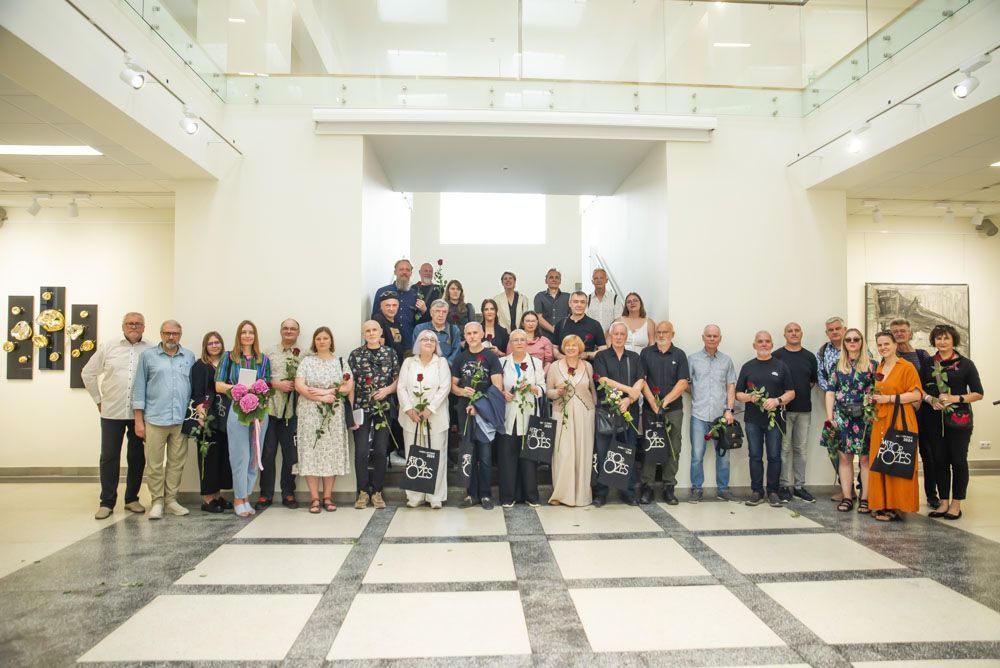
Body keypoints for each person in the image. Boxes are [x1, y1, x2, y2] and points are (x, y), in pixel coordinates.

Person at [82, 312, 152, 519]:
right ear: (123, 326)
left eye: (138, 323)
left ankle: (132, 499)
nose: (134, 326)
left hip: (139, 413)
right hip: (112, 411)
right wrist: (98, 400)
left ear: (144, 327)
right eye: (130, 323)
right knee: (109, 456)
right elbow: (87, 373)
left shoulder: (151, 349)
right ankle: (107, 502)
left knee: (137, 457)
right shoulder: (108, 347)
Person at [132, 320, 194, 520]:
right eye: (167, 333)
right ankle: (157, 501)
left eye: (175, 333)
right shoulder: (148, 356)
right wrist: (138, 421)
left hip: (180, 419)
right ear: (161, 334)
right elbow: (139, 388)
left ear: (180, 335)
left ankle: (171, 500)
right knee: (154, 464)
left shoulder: (189, 356)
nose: (171, 337)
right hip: (155, 419)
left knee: (176, 463)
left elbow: (192, 388)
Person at [921, 324, 984, 521]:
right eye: (938, 338)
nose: (942, 342)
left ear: (953, 340)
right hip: (934, 419)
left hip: (959, 420)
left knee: (958, 461)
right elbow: (919, 388)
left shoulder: (966, 364)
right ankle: (943, 502)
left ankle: (956, 504)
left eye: (946, 338)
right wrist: (930, 400)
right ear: (933, 341)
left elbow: (978, 393)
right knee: (939, 460)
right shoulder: (928, 363)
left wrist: (955, 398)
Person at [215, 320, 272, 518]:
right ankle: (238, 498)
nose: (247, 335)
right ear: (239, 335)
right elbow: (219, 385)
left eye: (251, 332)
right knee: (240, 456)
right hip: (237, 408)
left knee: (254, 456)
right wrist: (238, 388)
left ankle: (247, 496)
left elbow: (267, 386)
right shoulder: (229, 357)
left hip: (259, 410)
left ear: (255, 336)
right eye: (244, 332)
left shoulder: (263, 359)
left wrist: (261, 409)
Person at [294, 327, 353, 513]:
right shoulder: (307, 362)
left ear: (331, 341)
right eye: (318, 338)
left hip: (333, 414)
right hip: (309, 413)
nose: (321, 341)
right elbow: (299, 385)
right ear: (314, 341)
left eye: (325, 338)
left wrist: (326, 392)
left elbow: (348, 386)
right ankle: (314, 498)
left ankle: (327, 497)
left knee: (331, 453)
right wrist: (321, 397)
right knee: (310, 452)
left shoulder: (340, 362)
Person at [868, 331, 923, 522]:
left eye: (886, 344)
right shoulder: (880, 367)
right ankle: (883, 504)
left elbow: (916, 395)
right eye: (880, 345)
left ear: (895, 345)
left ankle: (897, 507)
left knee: (897, 461)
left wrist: (889, 398)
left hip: (900, 418)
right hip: (881, 419)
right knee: (881, 461)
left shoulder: (906, 367)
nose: (883, 348)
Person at [736, 331, 795, 508]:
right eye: (760, 341)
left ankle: (773, 492)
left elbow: (791, 393)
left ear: (772, 345)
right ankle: (757, 491)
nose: (764, 344)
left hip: (774, 420)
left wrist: (777, 401)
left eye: (767, 341)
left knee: (774, 456)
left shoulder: (781, 366)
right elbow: (738, 394)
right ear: (754, 345)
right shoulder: (747, 367)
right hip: (752, 420)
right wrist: (749, 397)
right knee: (755, 455)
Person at [591, 321, 646, 506]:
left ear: (626, 337)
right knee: (603, 451)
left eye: (623, 334)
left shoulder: (634, 357)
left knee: (627, 450)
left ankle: (627, 492)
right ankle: (601, 493)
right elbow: (604, 380)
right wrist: (629, 391)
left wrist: (629, 399)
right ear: (610, 336)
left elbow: (641, 380)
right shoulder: (601, 356)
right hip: (607, 411)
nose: (619, 337)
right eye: (616, 334)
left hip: (629, 410)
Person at [451, 322, 504, 510]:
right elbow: (453, 386)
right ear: (464, 336)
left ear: (482, 334)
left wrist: (478, 404)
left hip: (484, 412)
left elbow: (497, 386)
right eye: (468, 333)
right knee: (469, 454)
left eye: (475, 332)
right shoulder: (460, 358)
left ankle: (485, 494)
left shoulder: (491, 357)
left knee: (485, 455)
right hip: (465, 411)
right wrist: (462, 392)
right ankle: (471, 494)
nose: (472, 336)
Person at [349, 320, 400, 510]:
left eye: (374, 330)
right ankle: (362, 492)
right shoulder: (355, 355)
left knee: (380, 450)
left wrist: (387, 390)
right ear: (363, 334)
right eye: (367, 331)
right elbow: (350, 383)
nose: (371, 333)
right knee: (361, 451)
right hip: (361, 408)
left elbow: (398, 379)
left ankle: (377, 491)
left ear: (380, 332)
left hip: (383, 407)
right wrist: (350, 410)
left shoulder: (390, 353)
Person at [398, 330, 452, 508]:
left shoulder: (441, 363)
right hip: (411, 417)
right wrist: (408, 409)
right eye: (424, 339)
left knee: (437, 455)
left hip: (435, 417)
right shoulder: (408, 362)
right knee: (413, 455)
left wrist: (430, 409)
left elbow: (445, 387)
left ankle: (435, 496)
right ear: (418, 343)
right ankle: (415, 495)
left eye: (432, 340)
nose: (428, 342)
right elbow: (401, 387)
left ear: (436, 345)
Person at [825, 328, 876, 514]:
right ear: (844, 343)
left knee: (865, 459)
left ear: (861, 342)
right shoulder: (837, 366)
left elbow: (878, 391)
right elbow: (830, 392)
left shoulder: (873, 366)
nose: (852, 342)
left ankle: (865, 498)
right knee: (845, 458)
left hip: (865, 417)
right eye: (848, 340)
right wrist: (830, 417)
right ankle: (847, 497)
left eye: (856, 339)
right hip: (842, 417)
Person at [639, 321, 689, 505]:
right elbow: (642, 380)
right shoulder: (646, 353)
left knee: (673, 448)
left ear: (672, 334)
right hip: (650, 409)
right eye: (658, 332)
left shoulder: (679, 354)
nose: (661, 335)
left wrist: (664, 402)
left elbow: (683, 383)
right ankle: (647, 487)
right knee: (650, 447)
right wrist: (654, 404)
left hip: (673, 409)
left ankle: (669, 487)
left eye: (665, 332)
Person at [182, 331, 233, 513]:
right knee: (208, 457)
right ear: (205, 346)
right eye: (210, 343)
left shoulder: (228, 364)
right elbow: (197, 392)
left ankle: (217, 495)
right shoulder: (200, 366)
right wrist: (201, 412)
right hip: (207, 415)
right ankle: (207, 499)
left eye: (217, 342)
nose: (214, 346)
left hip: (225, 416)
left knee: (222, 457)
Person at [687, 324, 737, 503]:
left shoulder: (727, 361)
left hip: (721, 416)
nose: (712, 338)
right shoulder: (692, 359)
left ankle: (723, 489)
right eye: (709, 335)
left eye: (715, 336)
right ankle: (696, 488)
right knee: (697, 455)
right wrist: (698, 395)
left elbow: (730, 386)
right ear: (703, 337)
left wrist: (729, 410)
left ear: (720, 338)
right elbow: (686, 384)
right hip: (699, 415)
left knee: (723, 456)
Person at [497, 329, 546, 507]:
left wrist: (533, 388)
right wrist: (503, 393)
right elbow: (496, 388)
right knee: (507, 457)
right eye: (515, 340)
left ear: (527, 343)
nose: (519, 343)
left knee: (529, 458)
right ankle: (508, 496)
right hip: (509, 415)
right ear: (510, 343)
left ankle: (531, 496)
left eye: (522, 340)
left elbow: (543, 388)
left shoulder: (535, 363)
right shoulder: (502, 362)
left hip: (529, 414)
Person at [546, 335, 597, 506]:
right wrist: (557, 392)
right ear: (563, 347)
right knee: (563, 453)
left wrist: (592, 408)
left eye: (574, 345)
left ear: (580, 348)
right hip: (562, 413)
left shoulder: (588, 366)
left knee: (583, 452)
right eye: (568, 345)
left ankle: (581, 495)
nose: (571, 348)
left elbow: (593, 392)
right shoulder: (554, 367)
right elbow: (548, 392)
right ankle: (561, 495)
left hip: (585, 414)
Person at [891, 318, 936, 508]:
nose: (899, 334)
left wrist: (921, 399)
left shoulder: (921, 355)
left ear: (910, 333)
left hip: (923, 413)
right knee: (901, 456)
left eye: (902, 330)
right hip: (901, 412)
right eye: (895, 332)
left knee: (928, 455)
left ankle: (932, 495)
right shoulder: (889, 358)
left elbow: (928, 383)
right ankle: (899, 498)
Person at [772, 322, 819, 503]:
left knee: (801, 449)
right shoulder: (777, 356)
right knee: (784, 449)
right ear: (784, 335)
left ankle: (799, 487)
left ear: (801, 333)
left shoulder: (809, 357)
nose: (793, 333)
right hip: (783, 411)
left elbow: (812, 382)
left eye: (796, 330)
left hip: (804, 410)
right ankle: (784, 486)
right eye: (790, 331)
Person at [257, 318, 301, 511]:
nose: (289, 331)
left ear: (298, 332)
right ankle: (265, 494)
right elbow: (259, 380)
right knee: (267, 454)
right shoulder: (268, 353)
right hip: (270, 411)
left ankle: (288, 493)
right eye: (285, 328)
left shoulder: (304, 355)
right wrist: (276, 384)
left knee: (291, 455)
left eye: (293, 329)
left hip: (292, 413)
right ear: (280, 330)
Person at [817, 316, 849, 500]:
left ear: (844, 329)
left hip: (858, 406)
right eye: (831, 330)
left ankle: (866, 490)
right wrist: (833, 392)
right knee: (834, 446)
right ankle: (847, 489)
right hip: (834, 406)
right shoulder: (822, 352)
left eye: (838, 328)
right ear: (827, 332)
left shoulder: (856, 346)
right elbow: (821, 377)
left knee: (862, 450)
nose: (835, 332)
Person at [372, 259, 421, 353]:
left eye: (407, 270)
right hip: (386, 345)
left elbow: (417, 320)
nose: (404, 272)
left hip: (408, 345)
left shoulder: (415, 295)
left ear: (411, 273)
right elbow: (375, 318)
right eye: (401, 269)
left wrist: (423, 311)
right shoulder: (382, 292)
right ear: (395, 272)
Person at [553, 291, 606, 360]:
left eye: (582, 302)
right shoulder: (560, 324)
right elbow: (554, 347)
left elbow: (603, 350)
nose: (579, 305)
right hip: (563, 364)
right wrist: (562, 357)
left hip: (586, 364)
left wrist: (587, 354)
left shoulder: (595, 325)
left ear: (586, 305)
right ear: (569, 303)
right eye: (576, 302)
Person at [413, 299, 462, 365]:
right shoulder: (420, 329)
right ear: (431, 313)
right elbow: (416, 351)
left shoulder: (454, 330)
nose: (441, 315)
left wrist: (444, 366)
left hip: (447, 368)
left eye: (444, 312)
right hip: (424, 367)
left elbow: (456, 353)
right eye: (437, 311)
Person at [534, 268, 570, 344]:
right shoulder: (539, 296)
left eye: (557, 277)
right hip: (544, 337)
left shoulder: (568, 297)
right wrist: (554, 330)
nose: (554, 280)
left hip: (564, 336)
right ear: (546, 281)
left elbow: (572, 316)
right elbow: (538, 317)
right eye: (551, 277)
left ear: (560, 281)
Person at [373, 291, 406, 360]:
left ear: (398, 306)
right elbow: (379, 346)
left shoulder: (397, 323)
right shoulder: (378, 319)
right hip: (386, 362)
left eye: (394, 305)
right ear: (381, 307)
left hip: (397, 361)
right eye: (387, 305)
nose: (391, 308)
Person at [585, 268, 619, 333]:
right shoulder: (587, 299)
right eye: (596, 278)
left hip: (610, 336)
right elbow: (584, 320)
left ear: (606, 280)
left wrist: (608, 333)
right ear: (592, 281)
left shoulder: (615, 298)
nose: (599, 280)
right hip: (591, 336)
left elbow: (618, 320)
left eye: (601, 278)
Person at [413, 262, 442, 326]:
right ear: (420, 272)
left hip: (432, 326)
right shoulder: (413, 288)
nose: (428, 273)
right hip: (414, 326)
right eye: (426, 271)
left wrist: (425, 310)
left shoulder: (439, 289)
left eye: (430, 271)